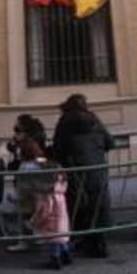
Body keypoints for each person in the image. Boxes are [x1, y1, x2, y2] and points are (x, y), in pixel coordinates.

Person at [51, 94, 114, 258]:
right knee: (98, 205)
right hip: (98, 168)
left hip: (76, 170)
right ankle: (99, 243)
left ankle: (84, 242)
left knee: (79, 206)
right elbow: (110, 142)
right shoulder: (94, 119)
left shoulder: (65, 121)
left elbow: (58, 148)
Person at [31, 167, 72, 270]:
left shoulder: (49, 196)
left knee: (54, 241)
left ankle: (55, 259)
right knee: (62, 239)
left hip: (52, 221)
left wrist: (36, 219)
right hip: (62, 220)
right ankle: (66, 255)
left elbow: (46, 210)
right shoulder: (61, 193)